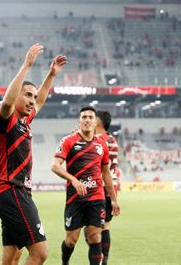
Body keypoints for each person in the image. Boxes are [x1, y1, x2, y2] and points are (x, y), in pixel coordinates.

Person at [0, 43, 67, 265]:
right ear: (16, 96)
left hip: (10, 193)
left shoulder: (24, 122)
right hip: (13, 191)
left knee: (11, 257)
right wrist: (27, 65)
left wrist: (51, 76)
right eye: (27, 95)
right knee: (40, 253)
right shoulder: (6, 121)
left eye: (32, 97)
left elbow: (41, 100)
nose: (32, 100)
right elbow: (7, 102)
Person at [52, 106, 120, 265]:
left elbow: (106, 173)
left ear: (96, 122)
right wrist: (73, 180)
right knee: (71, 240)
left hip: (97, 197)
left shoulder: (102, 144)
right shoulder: (68, 140)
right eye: (84, 117)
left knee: (95, 236)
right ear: (79, 121)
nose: (87, 120)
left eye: (91, 117)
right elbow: (55, 166)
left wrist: (114, 200)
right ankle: (65, 262)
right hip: (75, 198)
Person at [94, 110, 120, 264]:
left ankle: (97, 259)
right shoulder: (112, 140)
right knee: (106, 225)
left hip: (97, 187)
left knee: (93, 227)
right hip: (111, 188)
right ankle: (105, 259)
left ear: (99, 122)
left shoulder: (96, 140)